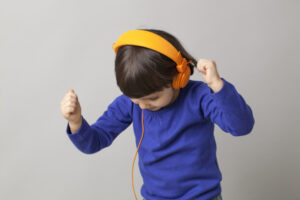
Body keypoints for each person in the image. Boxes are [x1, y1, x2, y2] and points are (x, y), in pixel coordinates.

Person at [60, 29, 255, 200]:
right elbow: (94, 141)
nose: (143, 106)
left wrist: (218, 87)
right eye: (136, 100)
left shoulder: (201, 97)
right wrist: (76, 121)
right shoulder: (130, 103)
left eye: (152, 98)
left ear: (179, 78)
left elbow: (241, 126)